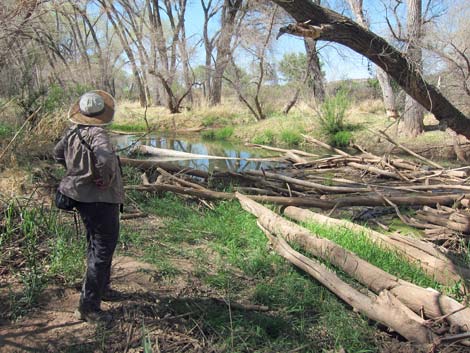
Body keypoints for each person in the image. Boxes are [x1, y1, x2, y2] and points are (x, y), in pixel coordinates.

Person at [53, 90, 124, 324]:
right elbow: (105, 159)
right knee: (102, 249)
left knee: (95, 245)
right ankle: (88, 307)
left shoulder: (72, 131)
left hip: (82, 199)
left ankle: (101, 288)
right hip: (100, 201)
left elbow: (57, 154)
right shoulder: (98, 133)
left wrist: (77, 171)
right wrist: (106, 178)